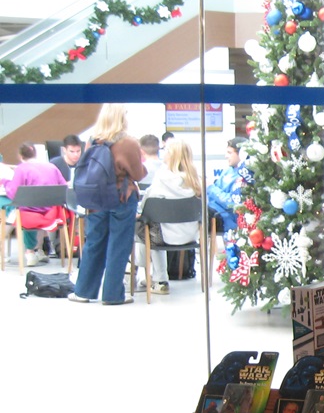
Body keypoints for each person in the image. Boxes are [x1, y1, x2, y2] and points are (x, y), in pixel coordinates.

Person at [69, 103, 146, 305]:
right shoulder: (128, 143)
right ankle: (112, 294)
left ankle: (83, 291)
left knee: (94, 243)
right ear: (122, 118)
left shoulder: (92, 141)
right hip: (121, 198)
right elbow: (138, 174)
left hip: (96, 199)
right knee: (118, 246)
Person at [134, 137, 203, 295]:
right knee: (153, 227)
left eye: (166, 151)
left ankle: (155, 277)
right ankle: (156, 278)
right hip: (191, 236)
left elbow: (146, 208)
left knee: (146, 227)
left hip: (163, 237)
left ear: (172, 156)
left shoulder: (162, 178)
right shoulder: (196, 181)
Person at [2, 142, 68, 267]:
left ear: (20, 156)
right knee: (33, 208)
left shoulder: (21, 169)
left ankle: (28, 252)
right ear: (35, 154)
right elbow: (63, 188)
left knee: (13, 210)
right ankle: (38, 250)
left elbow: (14, 193)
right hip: (53, 215)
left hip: (29, 217)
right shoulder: (52, 167)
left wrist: (5, 182)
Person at [207, 137, 246, 235]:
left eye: (229, 153)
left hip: (224, 218)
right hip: (212, 210)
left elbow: (232, 202)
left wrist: (210, 188)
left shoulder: (244, 176)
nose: (226, 156)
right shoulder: (228, 171)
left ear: (241, 154)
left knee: (200, 215)